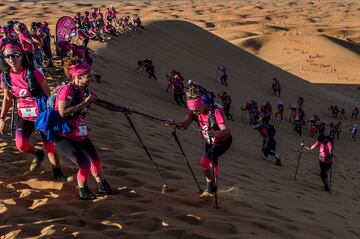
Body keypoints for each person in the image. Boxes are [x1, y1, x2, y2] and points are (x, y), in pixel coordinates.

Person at [0, 43, 65, 179]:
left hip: (42, 113)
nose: (11, 59)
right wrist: (2, 118)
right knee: (21, 144)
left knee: (50, 146)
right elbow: (7, 98)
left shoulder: (34, 73)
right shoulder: (5, 77)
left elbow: (48, 95)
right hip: (24, 115)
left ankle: (57, 171)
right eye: (7, 56)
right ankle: (37, 153)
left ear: (21, 55)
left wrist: (55, 115)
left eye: (14, 55)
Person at [53, 61, 113, 199]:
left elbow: (103, 103)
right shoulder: (67, 90)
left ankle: (102, 184)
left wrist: (123, 110)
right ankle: (83, 189)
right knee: (84, 164)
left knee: (95, 161)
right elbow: (63, 112)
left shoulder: (85, 91)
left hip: (80, 134)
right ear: (78, 77)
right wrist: (84, 103)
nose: (91, 78)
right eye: (88, 75)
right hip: (64, 135)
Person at [165, 87, 232, 199]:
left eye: (196, 108)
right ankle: (211, 188)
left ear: (202, 103)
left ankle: (210, 188)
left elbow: (226, 130)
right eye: (192, 109)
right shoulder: (194, 111)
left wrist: (215, 134)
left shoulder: (215, 111)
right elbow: (185, 125)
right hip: (209, 141)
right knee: (211, 166)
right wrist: (173, 123)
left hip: (222, 142)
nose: (194, 111)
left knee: (205, 162)